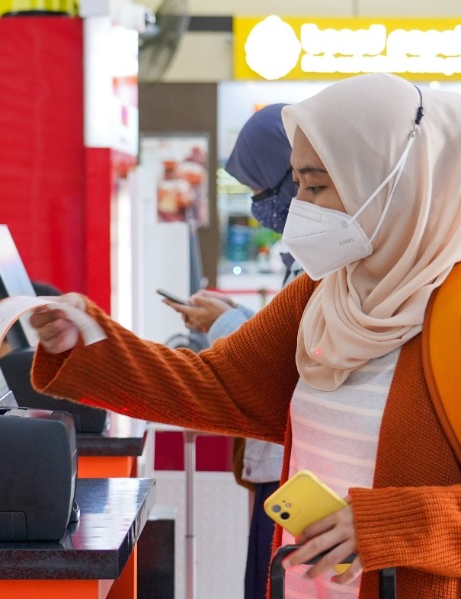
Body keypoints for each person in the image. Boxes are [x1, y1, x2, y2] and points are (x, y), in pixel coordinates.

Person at [29, 73, 461, 598]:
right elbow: (219, 387)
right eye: (297, 183)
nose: (299, 207)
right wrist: (85, 343)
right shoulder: (323, 295)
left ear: (390, 184)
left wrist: (384, 526)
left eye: (317, 185)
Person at [162, 103, 300, 599]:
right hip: (281, 469)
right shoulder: (303, 254)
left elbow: (281, 361)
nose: (258, 203)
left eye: (263, 187)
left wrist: (223, 322)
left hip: (292, 474)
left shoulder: (324, 260)